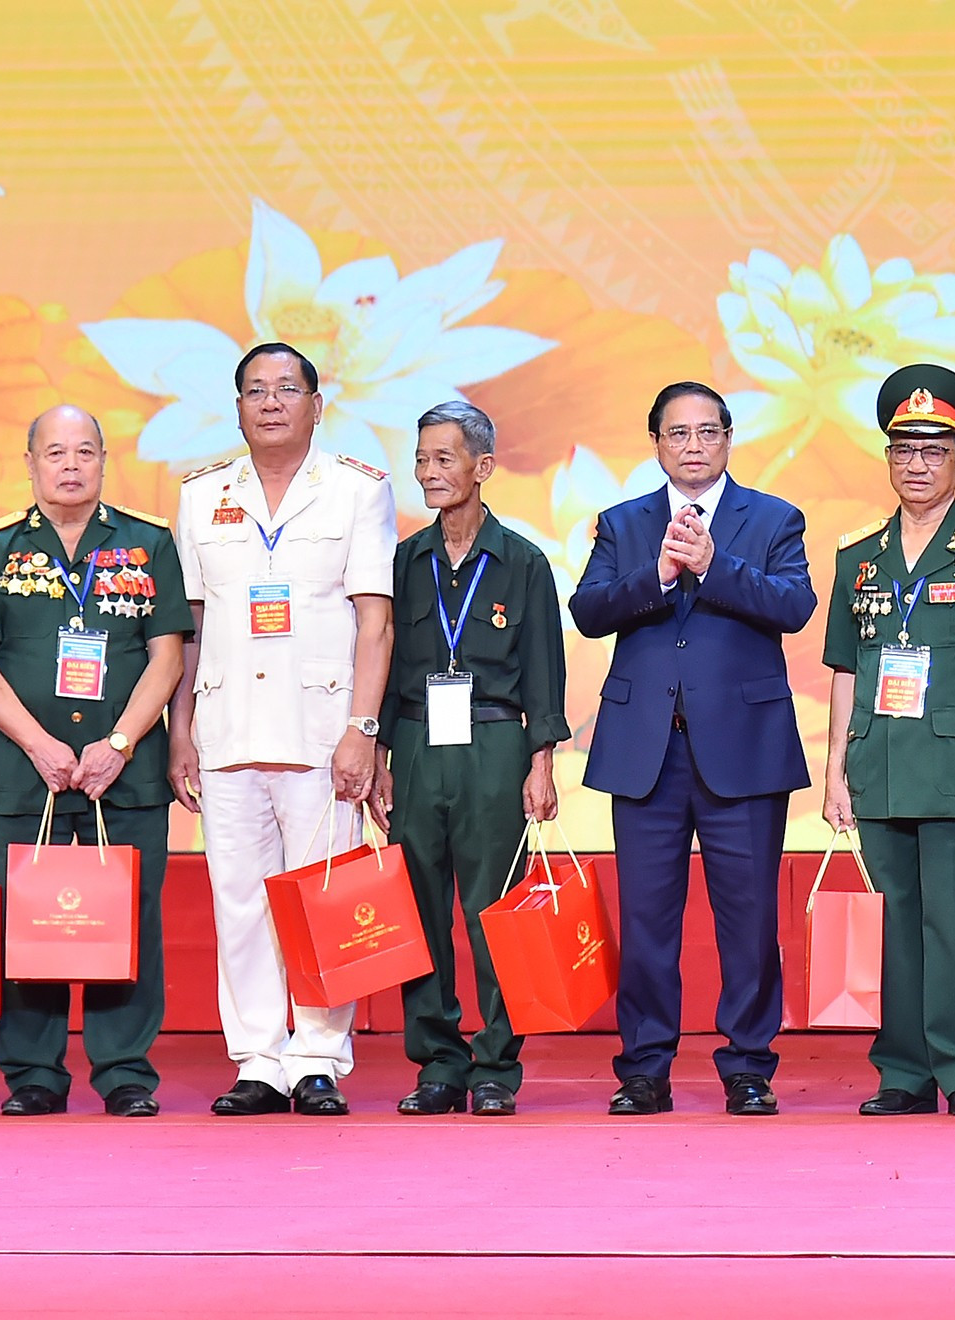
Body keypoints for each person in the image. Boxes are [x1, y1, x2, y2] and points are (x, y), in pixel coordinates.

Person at [570, 381, 815, 1117]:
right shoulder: (622, 522)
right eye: (677, 435)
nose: (693, 446)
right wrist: (657, 576)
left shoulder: (773, 518)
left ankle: (748, 1065)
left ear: (729, 438)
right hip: (648, 750)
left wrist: (713, 568)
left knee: (749, 919)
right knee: (647, 919)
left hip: (742, 748)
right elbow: (588, 612)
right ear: (656, 446)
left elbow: (795, 607)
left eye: (707, 432)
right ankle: (644, 1067)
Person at [168, 342, 396, 1118]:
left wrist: (363, 728)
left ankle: (319, 1057)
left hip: (321, 726)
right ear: (237, 408)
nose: (271, 402)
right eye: (255, 391)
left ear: (316, 404)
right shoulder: (201, 496)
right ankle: (260, 1058)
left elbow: (376, 621)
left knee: (322, 898)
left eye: (286, 389)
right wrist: (181, 729)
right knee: (239, 900)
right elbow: (189, 626)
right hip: (228, 727)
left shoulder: (358, 490)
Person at [0, 405, 190, 1118]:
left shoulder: (148, 544)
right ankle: (32, 1072)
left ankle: (124, 1071)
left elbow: (167, 656)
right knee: (30, 920)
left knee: (131, 917)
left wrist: (118, 744)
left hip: (128, 772)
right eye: (55, 452)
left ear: (105, 461)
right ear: (30, 464)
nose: (71, 464)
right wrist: (39, 743)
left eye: (85, 451)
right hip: (30, 771)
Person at [822, 365, 955, 1118]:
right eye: (904, 449)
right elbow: (846, 666)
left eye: (933, 451)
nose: (917, 464)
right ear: (888, 458)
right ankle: (903, 1073)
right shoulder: (858, 555)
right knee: (895, 927)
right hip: (879, 762)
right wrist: (835, 768)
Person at [368, 401, 568, 1117]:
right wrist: (381, 753)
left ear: (483, 467)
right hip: (420, 744)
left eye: (443, 459)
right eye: (421, 459)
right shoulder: (403, 560)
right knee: (419, 911)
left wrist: (540, 761)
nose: (428, 473)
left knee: (493, 913)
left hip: (493, 743)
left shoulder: (523, 561)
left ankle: (493, 1066)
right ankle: (438, 1064)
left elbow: (545, 666)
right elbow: (387, 665)